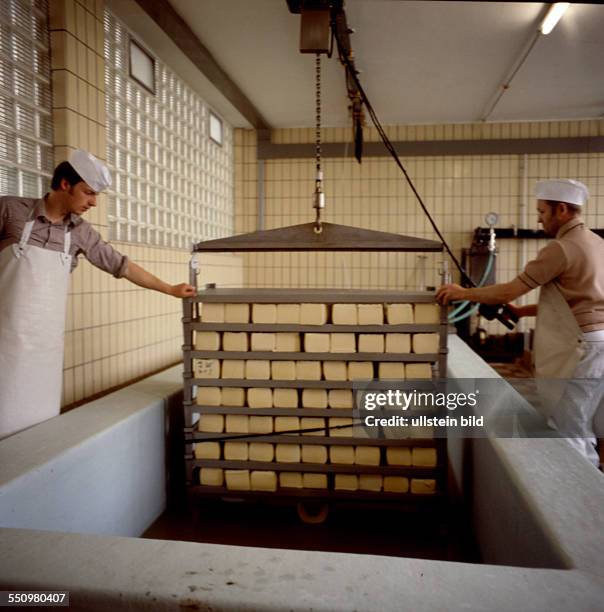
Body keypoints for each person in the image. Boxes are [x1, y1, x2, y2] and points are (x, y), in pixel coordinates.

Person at [0, 149, 196, 438]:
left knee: (35, 429)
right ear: (65, 184)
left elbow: (121, 265)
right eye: (88, 193)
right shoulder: (9, 210)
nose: (92, 202)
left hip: (43, 350)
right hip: (4, 339)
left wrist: (169, 289)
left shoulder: (80, 232)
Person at [436, 179, 604, 469]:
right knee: (587, 422)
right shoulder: (596, 243)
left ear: (561, 209)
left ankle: (577, 502)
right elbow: (580, 300)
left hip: (580, 348)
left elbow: (507, 291)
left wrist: (462, 293)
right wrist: (522, 312)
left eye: (542, 212)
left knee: (568, 428)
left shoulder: (561, 248)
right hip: (598, 342)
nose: (538, 218)